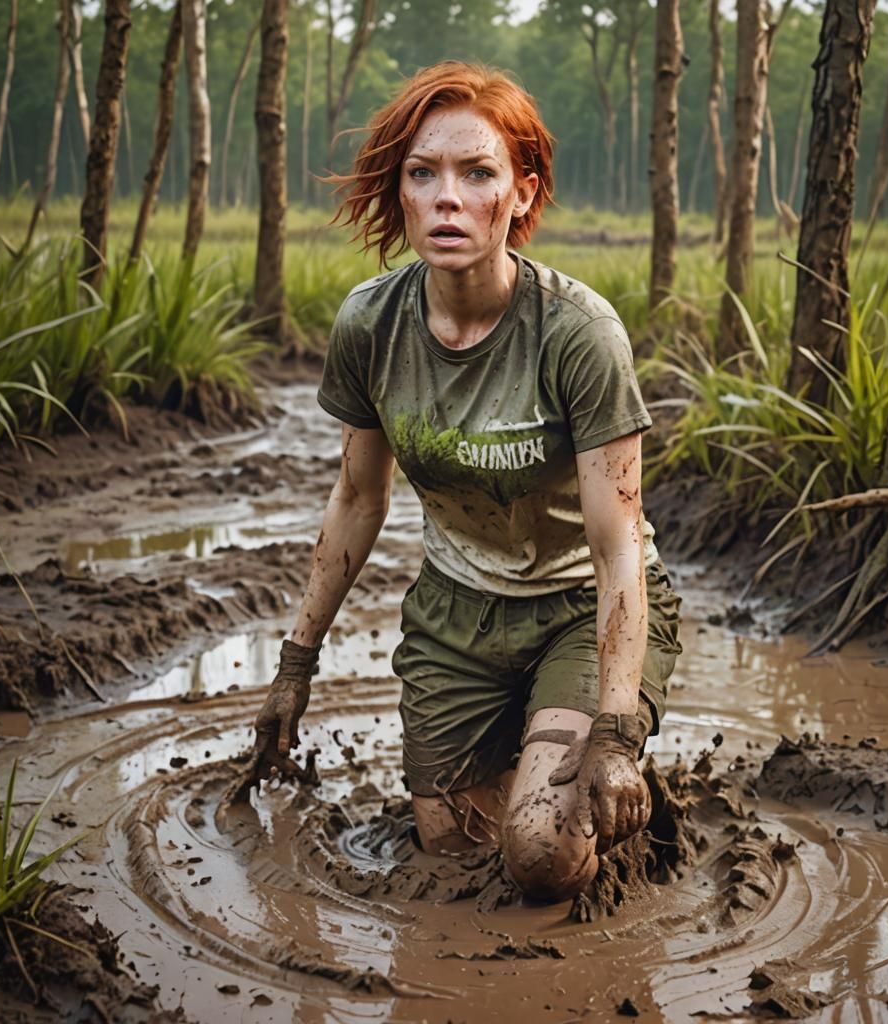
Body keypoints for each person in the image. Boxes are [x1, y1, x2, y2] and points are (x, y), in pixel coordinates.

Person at [243, 61, 682, 902]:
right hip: (457, 615)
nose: (448, 198)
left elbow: (619, 545)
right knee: (449, 844)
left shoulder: (578, 334)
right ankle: (538, 753)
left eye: (477, 173)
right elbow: (358, 499)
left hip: (578, 608)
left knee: (540, 856)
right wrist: (295, 664)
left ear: (521, 193)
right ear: (400, 192)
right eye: (423, 174)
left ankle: (602, 781)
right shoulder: (371, 323)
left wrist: (615, 733)